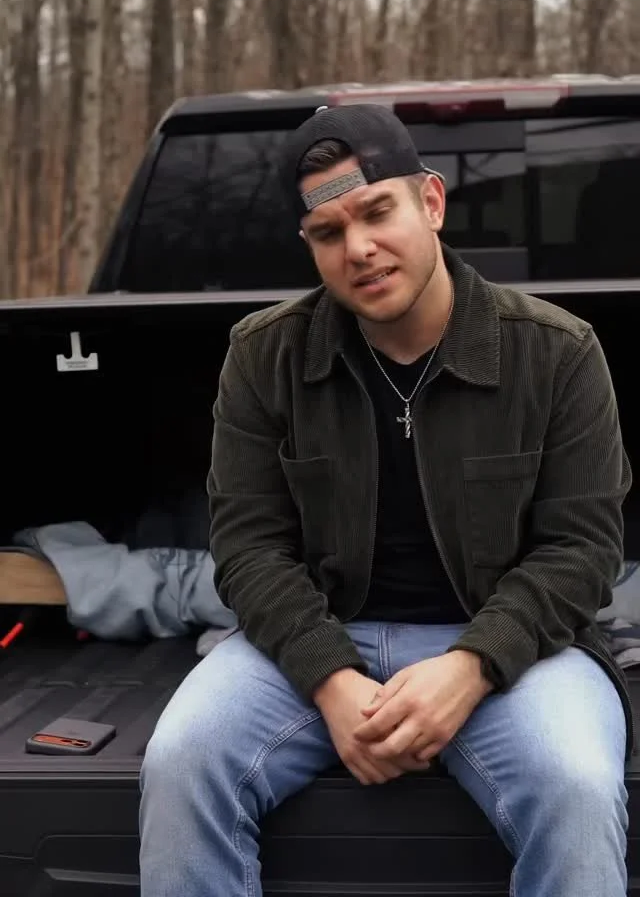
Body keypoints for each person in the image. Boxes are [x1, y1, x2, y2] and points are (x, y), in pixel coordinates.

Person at [138, 103, 634, 896]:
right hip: (317, 641)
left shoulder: (556, 352)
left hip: (510, 650)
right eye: (328, 232)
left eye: (377, 212)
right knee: (180, 761)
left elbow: (582, 549)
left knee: (574, 784)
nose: (359, 249)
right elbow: (249, 548)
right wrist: (330, 679)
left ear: (430, 202)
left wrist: (471, 667)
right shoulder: (264, 356)